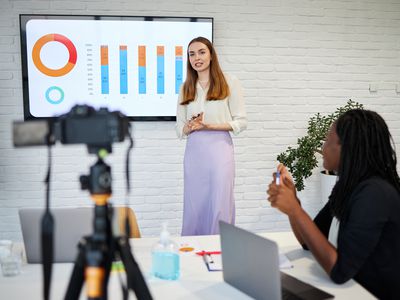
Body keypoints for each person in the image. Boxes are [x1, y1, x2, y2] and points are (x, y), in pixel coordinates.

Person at [267, 109, 400, 299]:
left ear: (348, 147)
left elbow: (340, 271)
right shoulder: (349, 186)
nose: (323, 147)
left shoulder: (374, 194)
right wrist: (292, 202)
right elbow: (308, 242)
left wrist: (295, 210)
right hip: (354, 289)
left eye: (328, 140)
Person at [176, 37, 247, 236]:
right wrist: (189, 127)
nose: (196, 57)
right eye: (191, 54)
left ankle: (220, 251)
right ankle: (193, 253)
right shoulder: (186, 87)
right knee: (195, 204)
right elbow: (179, 128)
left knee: (220, 202)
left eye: (201, 52)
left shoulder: (230, 82)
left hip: (220, 149)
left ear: (211, 55)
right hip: (194, 151)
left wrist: (211, 125)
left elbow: (241, 121)